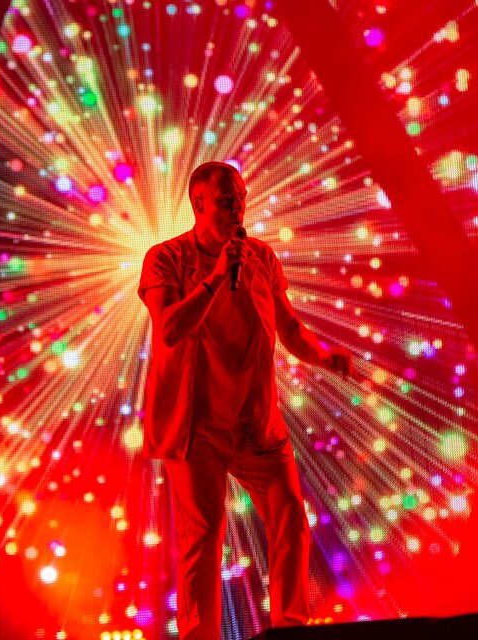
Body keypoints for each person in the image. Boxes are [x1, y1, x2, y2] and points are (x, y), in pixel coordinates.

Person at [138, 161, 355, 639]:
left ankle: (290, 629)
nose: (237, 207)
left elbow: (290, 329)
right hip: (196, 427)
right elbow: (169, 328)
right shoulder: (165, 258)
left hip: (256, 424)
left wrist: (325, 356)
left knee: (290, 517)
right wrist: (216, 277)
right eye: (226, 200)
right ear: (198, 204)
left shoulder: (261, 256)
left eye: (240, 198)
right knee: (203, 534)